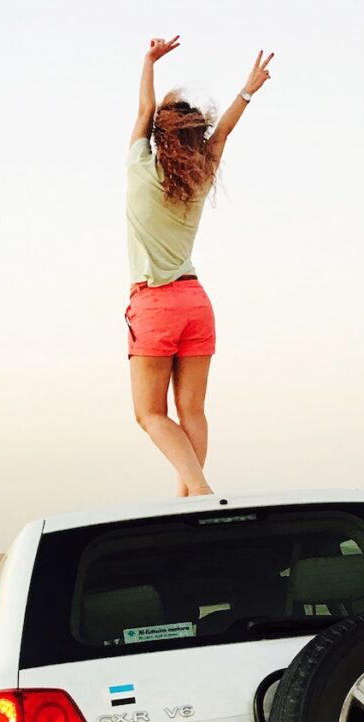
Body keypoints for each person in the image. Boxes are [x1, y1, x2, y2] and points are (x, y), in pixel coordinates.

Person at [126, 36, 274, 496]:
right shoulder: (200, 176)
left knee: (149, 413)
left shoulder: (141, 170)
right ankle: (187, 500)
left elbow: (143, 113)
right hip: (195, 302)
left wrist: (148, 62)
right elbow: (222, 133)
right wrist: (247, 90)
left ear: (160, 135)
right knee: (192, 411)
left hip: (154, 303)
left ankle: (200, 492)